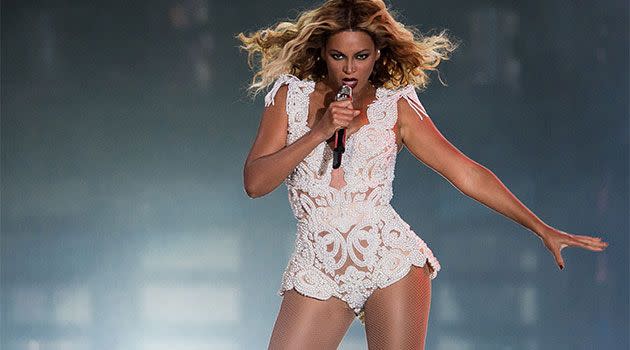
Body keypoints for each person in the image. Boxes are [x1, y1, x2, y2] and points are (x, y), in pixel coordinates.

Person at [237, 0, 609, 348]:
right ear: (323, 53)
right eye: (339, 56)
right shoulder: (290, 96)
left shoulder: (395, 106)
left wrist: (540, 228)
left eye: (361, 56)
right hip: (317, 262)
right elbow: (255, 183)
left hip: (389, 260)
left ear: (377, 54)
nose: (350, 69)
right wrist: (318, 133)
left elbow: (467, 174)